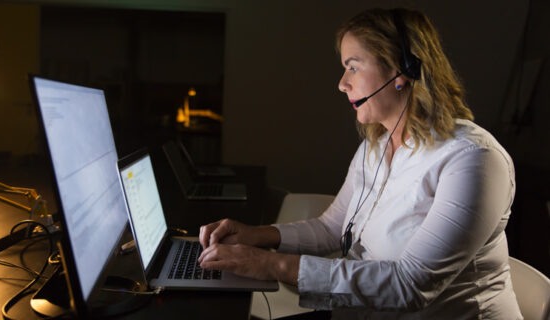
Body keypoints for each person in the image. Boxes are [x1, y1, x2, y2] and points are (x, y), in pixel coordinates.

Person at [198, 7, 522, 319]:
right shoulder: (376, 144)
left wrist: (271, 265)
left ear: (401, 70)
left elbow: (410, 285)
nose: (342, 83)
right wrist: (257, 236)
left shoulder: (473, 161)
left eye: (353, 66)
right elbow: (331, 228)